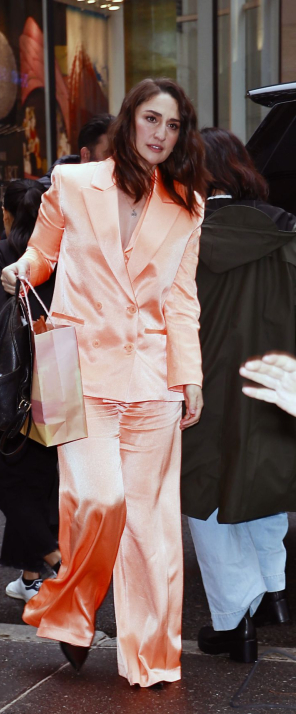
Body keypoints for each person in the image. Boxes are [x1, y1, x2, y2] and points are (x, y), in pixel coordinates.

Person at [1, 78, 207, 687]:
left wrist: (188, 376)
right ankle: (68, 605)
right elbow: (41, 255)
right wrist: (18, 271)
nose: (160, 136)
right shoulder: (72, 183)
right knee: (98, 500)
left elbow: (181, 299)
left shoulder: (187, 203)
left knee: (150, 524)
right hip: (72, 369)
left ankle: (151, 656)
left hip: (152, 378)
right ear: (127, 120)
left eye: (172, 126)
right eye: (151, 120)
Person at [181, 128, 296, 663]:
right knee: (257, 486)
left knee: (205, 497)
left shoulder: (182, 236)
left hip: (201, 388)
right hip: (270, 385)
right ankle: (272, 588)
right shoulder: (285, 233)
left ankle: (236, 624)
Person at [0, 179, 61, 602]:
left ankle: (58, 563)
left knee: (4, 478)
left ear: (6, 215)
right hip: (56, 378)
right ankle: (30, 578)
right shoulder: (59, 256)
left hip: (9, 384)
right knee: (42, 477)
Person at [38, 113, 113, 190]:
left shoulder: (117, 188)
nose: (116, 161)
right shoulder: (45, 194)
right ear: (86, 155)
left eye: (122, 153)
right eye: (109, 154)